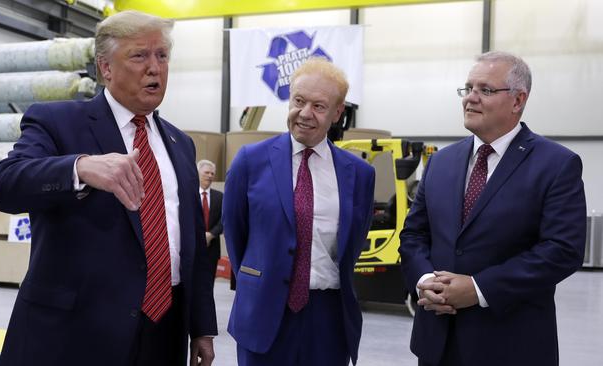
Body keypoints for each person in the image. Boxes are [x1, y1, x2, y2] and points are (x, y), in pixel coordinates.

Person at [0, 10, 216, 366]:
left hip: (163, 332)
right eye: (139, 56)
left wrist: (202, 327)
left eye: (162, 55)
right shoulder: (58, 121)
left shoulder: (180, 143)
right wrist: (79, 167)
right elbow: (3, 185)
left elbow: (190, 245)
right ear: (106, 68)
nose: (155, 68)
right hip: (75, 336)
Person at [399, 51, 586, 366]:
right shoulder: (441, 162)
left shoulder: (556, 164)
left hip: (511, 345)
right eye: (468, 88)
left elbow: (561, 250)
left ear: (517, 100)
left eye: (485, 90)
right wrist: (425, 281)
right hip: (438, 341)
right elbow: (414, 233)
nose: (470, 98)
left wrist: (478, 288)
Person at [223, 57, 376, 366]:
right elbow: (236, 234)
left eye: (318, 106)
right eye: (299, 101)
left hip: (328, 318)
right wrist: (259, 280)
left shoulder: (359, 174)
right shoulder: (250, 161)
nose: (305, 114)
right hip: (264, 313)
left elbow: (354, 242)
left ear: (337, 113)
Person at [197, 159, 223, 283]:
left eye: (212, 173)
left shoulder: (220, 197)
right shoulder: (189, 194)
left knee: (208, 285)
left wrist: (211, 234)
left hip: (211, 249)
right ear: (198, 173)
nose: (210, 176)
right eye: (207, 172)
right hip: (192, 247)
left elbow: (225, 220)